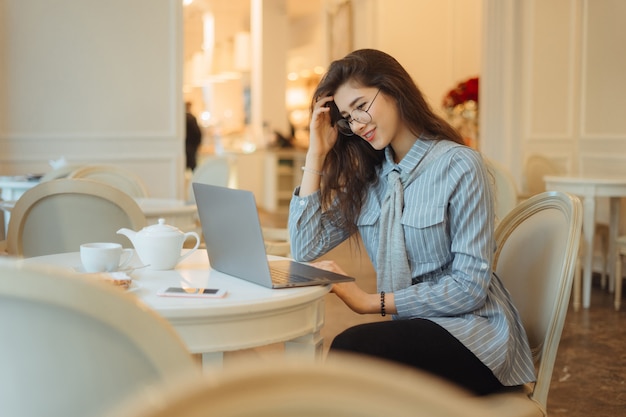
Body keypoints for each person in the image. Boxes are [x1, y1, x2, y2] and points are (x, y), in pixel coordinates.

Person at [287, 49, 535, 395]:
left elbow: (470, 288)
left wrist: (371, 301)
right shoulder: (371, 180)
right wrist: (316, 153)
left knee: (352, 350)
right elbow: (305, 246)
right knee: (357, 370)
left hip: (473, 338)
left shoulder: (459, 165)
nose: (357, 124)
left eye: (361, 106)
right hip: (416, 333)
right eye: (347, 117)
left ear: (393, 90)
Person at [185, 102, 202, 171]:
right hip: (191, 146)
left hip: (187, 145)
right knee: (193, 166)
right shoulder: (191, 118)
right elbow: (197, 133)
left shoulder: (180, 118)